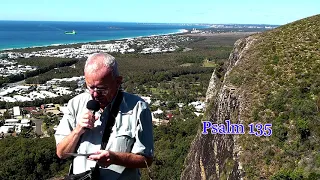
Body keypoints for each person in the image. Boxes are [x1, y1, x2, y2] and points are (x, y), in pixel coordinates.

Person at [54, 53, 154, 180]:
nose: (95, 94)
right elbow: (61, 153)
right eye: (90, 87)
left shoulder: (138, 108)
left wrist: (114, 158)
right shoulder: (75, 104)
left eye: (101, 89)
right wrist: (78, 130)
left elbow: (146, 159)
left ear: (118, 82)